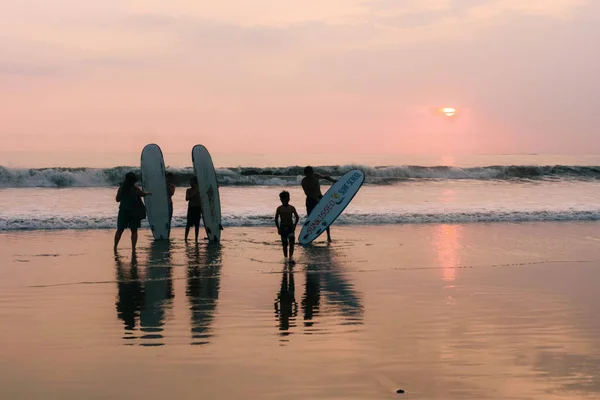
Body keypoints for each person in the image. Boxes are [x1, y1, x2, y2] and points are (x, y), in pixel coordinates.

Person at [114, 172, 151, 252]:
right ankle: (133, 248)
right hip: (134, 212)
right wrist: (148, 193)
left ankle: (115, 247)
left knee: (120, 230)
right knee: (134, 231)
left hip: (123, 211)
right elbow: (142, 194)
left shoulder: (121, 189)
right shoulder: (135, 189)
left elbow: (117, 199)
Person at [301, 166, 336, 242]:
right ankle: (309, 236)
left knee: (324, 216)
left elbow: (325, 177)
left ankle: (328, 237)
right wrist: (316, 199)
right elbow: (307, 193)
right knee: (310, 219)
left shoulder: (316, 175)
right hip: (310, 200)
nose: (311, 175)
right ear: (306, 174)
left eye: (312, 172)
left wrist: (333, 181)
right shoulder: (304, 181)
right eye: (309, 174)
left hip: (320, 198)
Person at [275, 191, 299, 262]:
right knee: (284, 244)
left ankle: (291, 258)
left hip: (290, 228)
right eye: (282, 200)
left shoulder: (292, 208)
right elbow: (276, 219)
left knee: (291, 243)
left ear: (288, 199)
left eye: (285, 199)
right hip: (283, 228)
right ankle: (285, 258)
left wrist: (294, 225)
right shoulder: (279, 208)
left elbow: (297, 217)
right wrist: (278, 228)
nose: (283, 201)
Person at [185, 176, 203, 242]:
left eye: (191, 182)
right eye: (190, 182)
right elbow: (186, 198)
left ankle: (196, 239)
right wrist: (194, 195)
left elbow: (202, 200)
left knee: (197, 224)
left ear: (195, 182)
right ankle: (185, 238)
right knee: (188, 224)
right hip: (191, 208)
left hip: (198, 208)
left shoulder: (200, 190)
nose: (190, 183)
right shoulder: (188, 190)